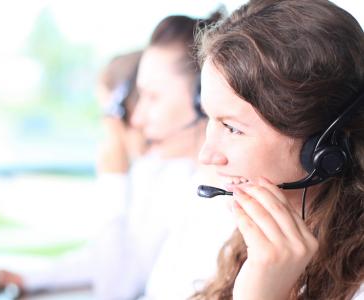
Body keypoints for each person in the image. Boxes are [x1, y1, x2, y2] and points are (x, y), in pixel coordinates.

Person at [0, 11, 222, 299]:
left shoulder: (204, 198)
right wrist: (30, 278)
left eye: (152, 97)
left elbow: (116, 287)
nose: (136, 119)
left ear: (202, 99)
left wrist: (113, 179)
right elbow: (111, 263)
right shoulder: (191, 187)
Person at [151, 0, 364, 299]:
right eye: (210, 119)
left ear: (323, 148)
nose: (207, 156)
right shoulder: (244, 236)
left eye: (233, 128)